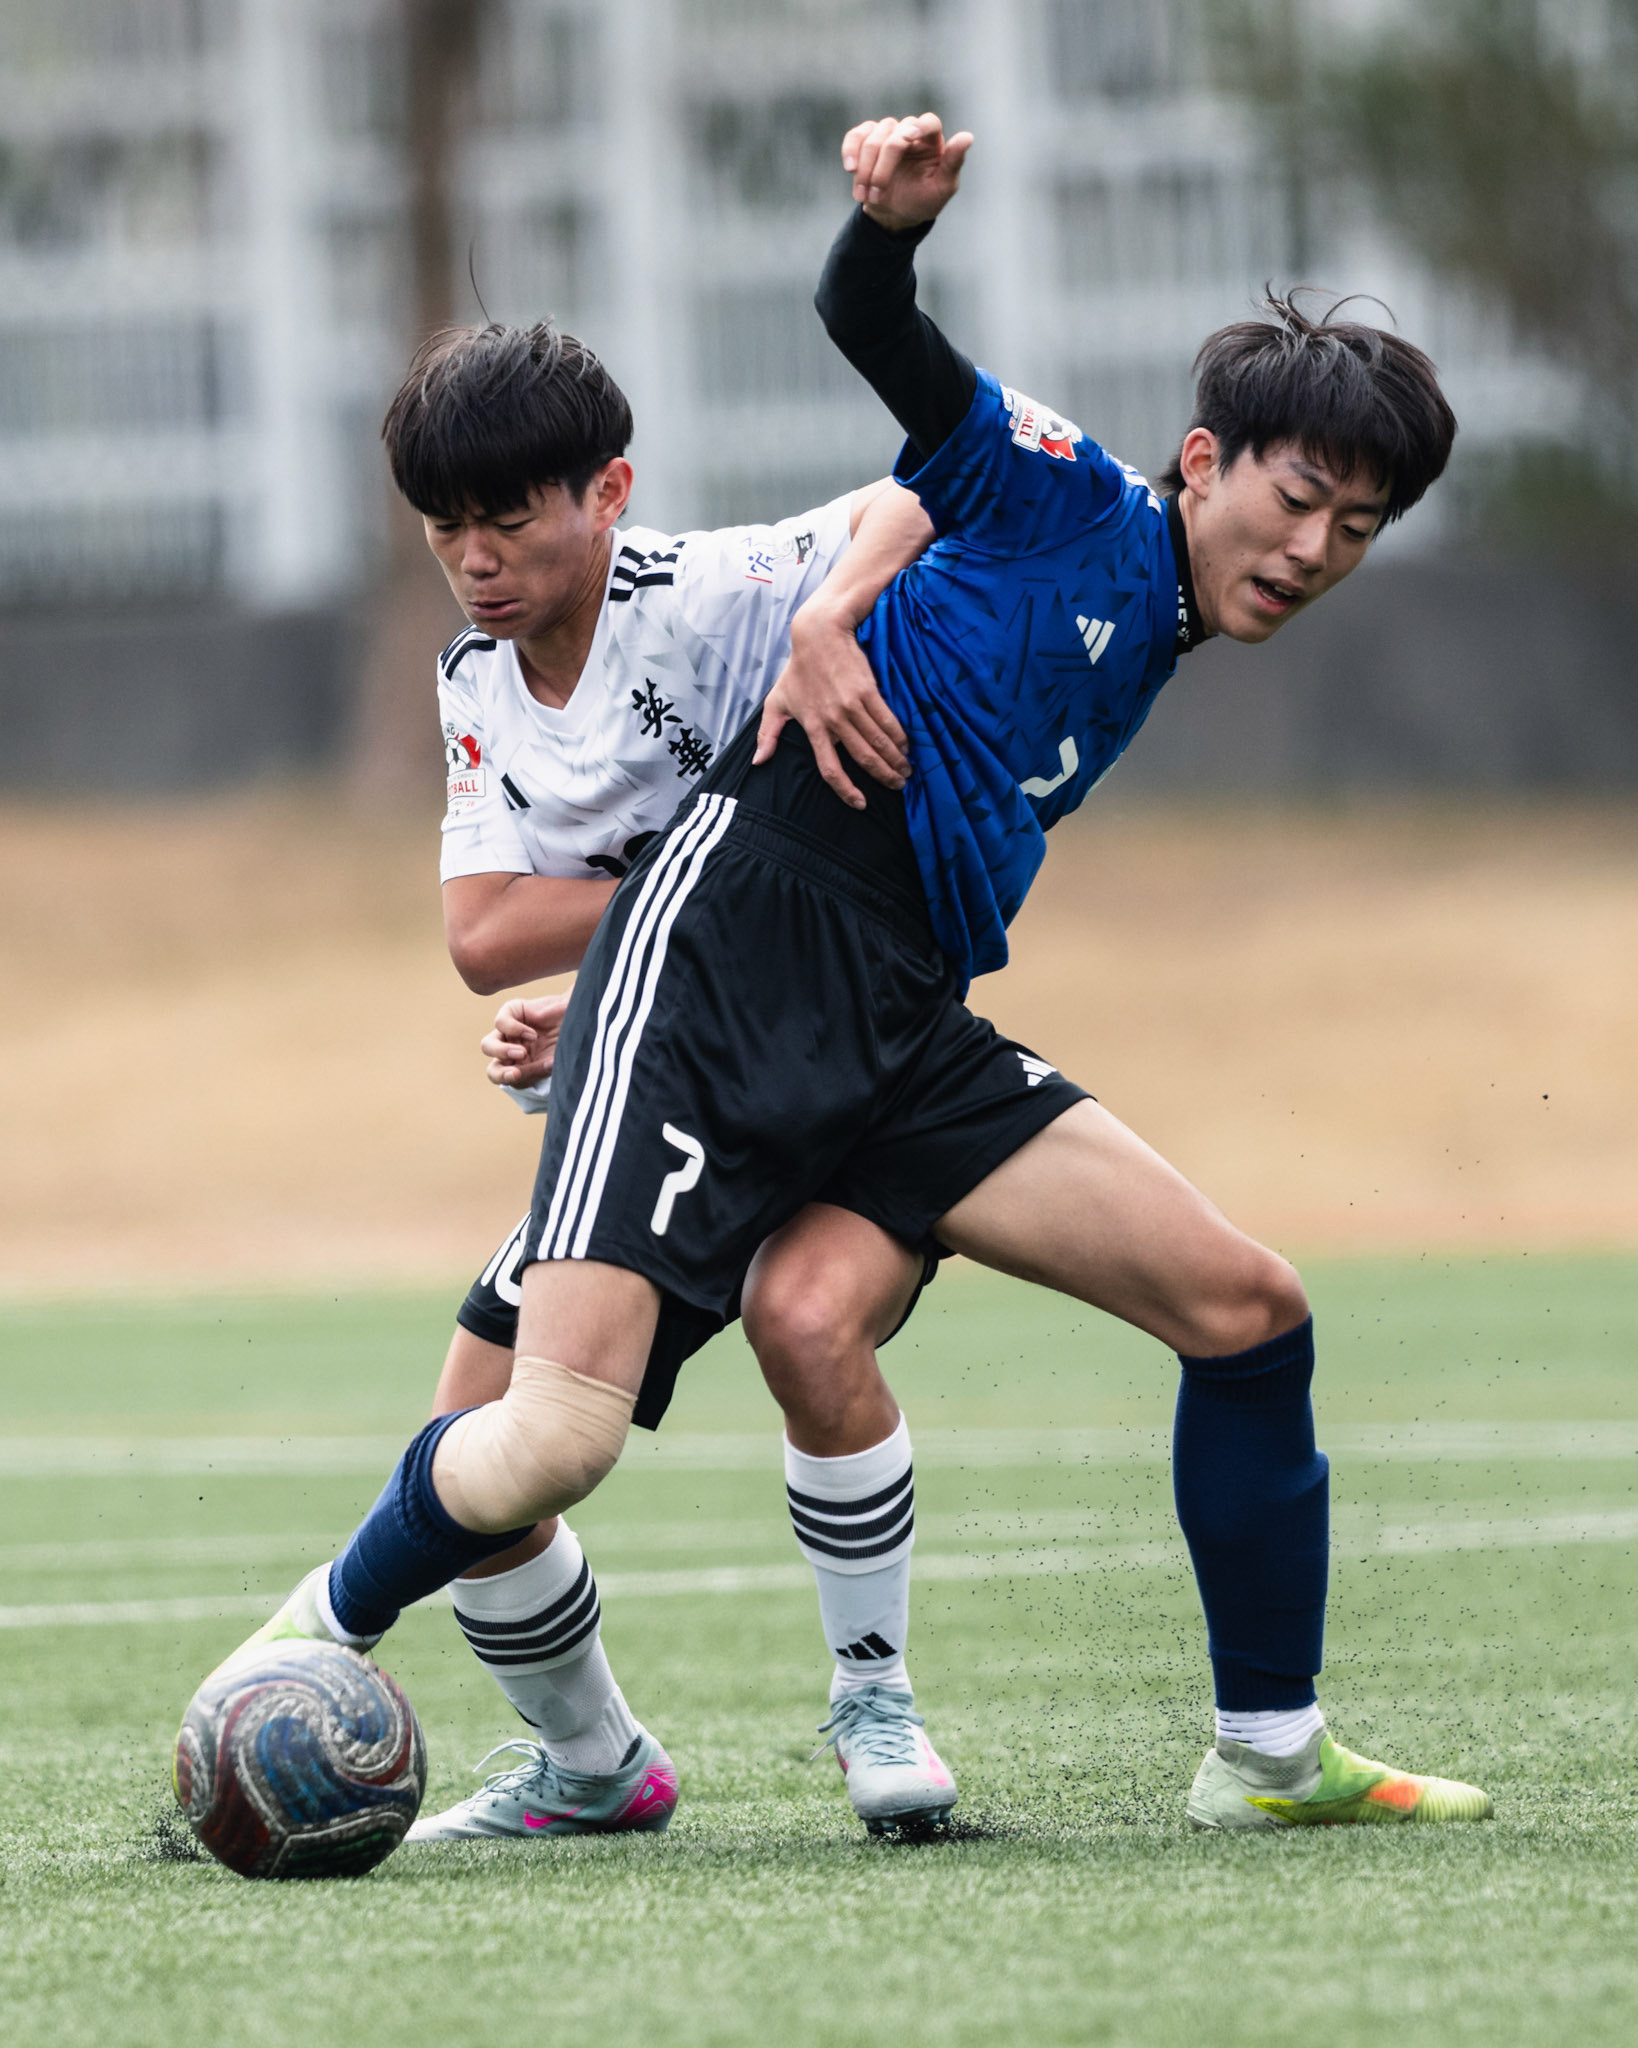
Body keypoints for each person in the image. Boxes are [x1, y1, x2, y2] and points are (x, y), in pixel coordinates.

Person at [224, 111, 1492, 1835]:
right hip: (736, 953)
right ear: (1203, 462)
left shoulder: (1157, 614)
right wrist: (887, 229)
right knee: (548, 1439)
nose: (1314, 548)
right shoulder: (1072, 494)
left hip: (899, 1015)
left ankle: (1264, 1755)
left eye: (1356, 527)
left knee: (1242, 1311)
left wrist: (834, 613)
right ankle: (292, 1654)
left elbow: (900, 515)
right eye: (1295, 499)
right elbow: (880, 342)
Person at [258, 320, 968, 1843]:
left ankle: (879, 1700)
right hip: (648, 1074)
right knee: (469, 1451)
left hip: (820, 1052)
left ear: (609, 493)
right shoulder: (474, 679)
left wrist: (827, 624)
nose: (475, 559)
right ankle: (596, 1764)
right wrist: (677, 913)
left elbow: (928, 490)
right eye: (445, 527)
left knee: (811, 1327)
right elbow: (481, 934)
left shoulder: (705, 591)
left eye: (510, 518)